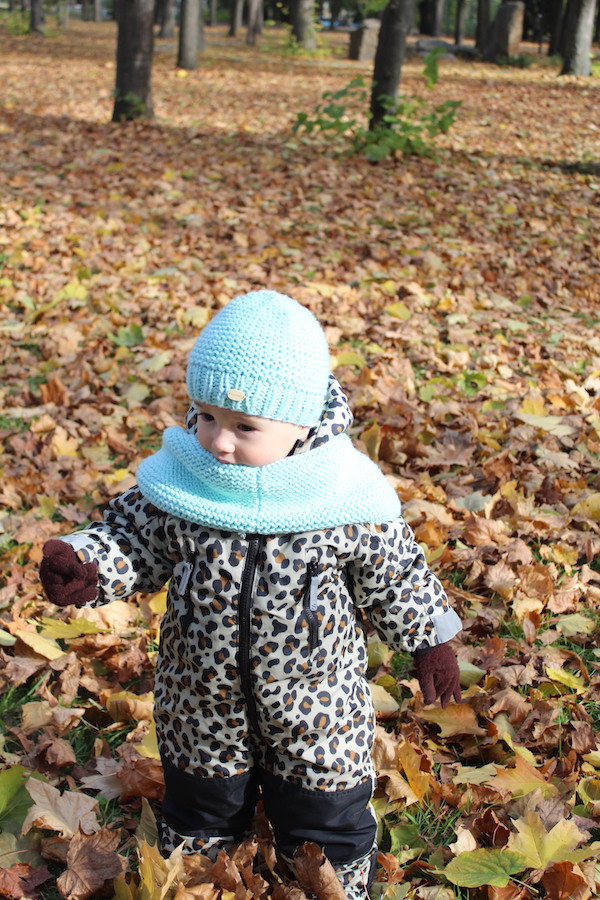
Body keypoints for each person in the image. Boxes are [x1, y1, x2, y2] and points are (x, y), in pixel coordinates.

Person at [40, 291, 461, 900]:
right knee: (200, 810)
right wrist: (90, 562)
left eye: (245, 427)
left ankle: (333, 882)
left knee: (325, 815)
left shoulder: (341, 496)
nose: (219, 442)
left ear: (300, 425)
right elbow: (134, 535)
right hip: (200, 699)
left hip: (316, 703)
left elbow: (394, 572)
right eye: (207, 416)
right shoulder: (185, 479)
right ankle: (196, 874)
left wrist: (429, 640)